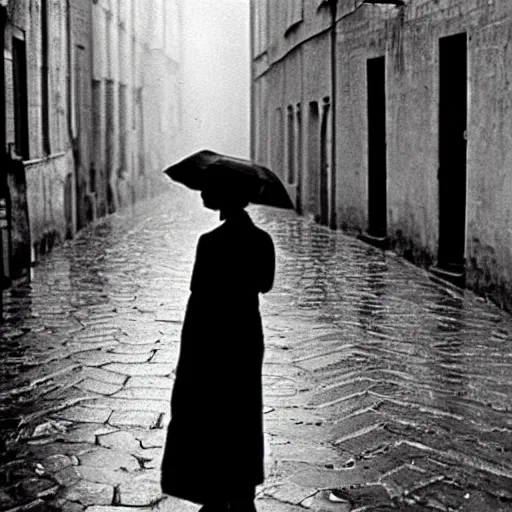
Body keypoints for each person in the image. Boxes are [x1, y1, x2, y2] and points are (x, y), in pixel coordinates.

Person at [161, 177, 276, 512]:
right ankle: (243, 489)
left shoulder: (208, 243)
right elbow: (265, 285)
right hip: (244, 334)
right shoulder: (262, 240)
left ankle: (214, 490)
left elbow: (199, 294)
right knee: (243, 410)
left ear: (223, 197)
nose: (202, 194)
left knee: (210, 410)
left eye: (208, 190)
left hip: (211, 335)